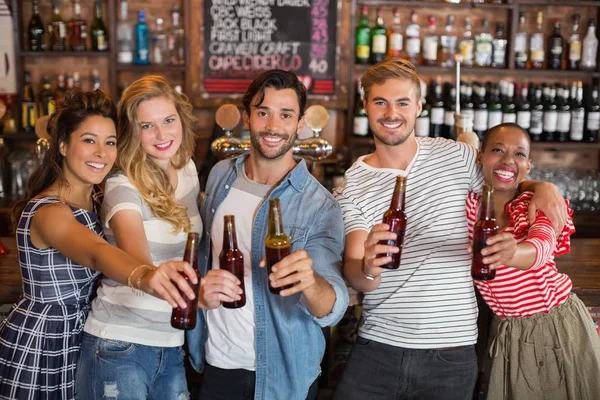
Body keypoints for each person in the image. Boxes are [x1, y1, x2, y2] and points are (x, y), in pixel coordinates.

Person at [332, 58, 568, 400]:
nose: (391, 113)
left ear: (418, 107)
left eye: (402, 102)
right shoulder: (352, 186)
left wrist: (542, 186)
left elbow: (504, 175)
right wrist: (369, 267)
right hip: (379, 345)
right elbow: (356, 273)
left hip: (452, 350)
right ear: (365, 105)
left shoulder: (455, 155)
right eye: (380, 101)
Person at [0, 89, 197, 400]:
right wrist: (147, 275)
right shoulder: (49, 212)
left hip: (84, 335)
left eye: (110, 142)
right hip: (46, 341)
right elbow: (97, 252)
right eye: (89, 140)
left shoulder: (96, 199)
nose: (102, 153)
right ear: (63, 145)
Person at [187, 69, 349, 400]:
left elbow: (331, 306)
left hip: (281, 375)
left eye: (285, 115)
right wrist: (201, 293)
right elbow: (203, 257)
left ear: (300, 123)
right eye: (263, 112)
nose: (273, 126)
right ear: (246, 117)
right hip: (215, 363)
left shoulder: (320, 205)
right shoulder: (220, 176)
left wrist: (310, 281)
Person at [75, 76, 201, 400]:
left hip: (171, 344)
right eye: (147, 126)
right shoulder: (123, 188)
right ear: (133, 132)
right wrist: (202, 295)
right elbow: (140, 266)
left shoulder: (187, 170)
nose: (162, 134)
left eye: (168, 120)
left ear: (181, 120)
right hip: (119, 344)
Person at [466, 123, 600, 400]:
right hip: (507, 330)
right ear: (480, 157)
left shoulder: (534, 204)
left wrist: (511, 252)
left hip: (555, 324)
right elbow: (464, 138)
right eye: (497, 150)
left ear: (528, 165)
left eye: (519, 154)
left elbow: (540, 247)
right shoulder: (467, 206)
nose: (507, 160)